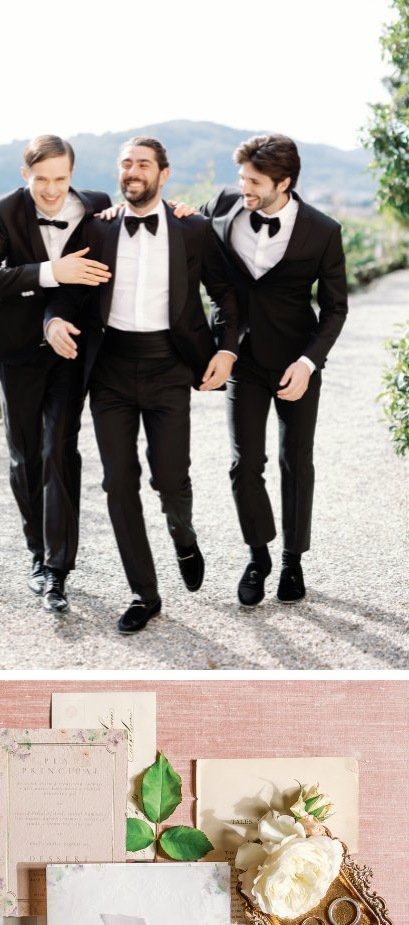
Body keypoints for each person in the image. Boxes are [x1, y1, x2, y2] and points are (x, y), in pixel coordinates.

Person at [45, 136, 240, 633]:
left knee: (170, 479)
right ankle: (143, 593)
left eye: (143, 164)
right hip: (108, 371)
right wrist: (53, 322)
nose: (133, 171)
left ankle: (183, 533)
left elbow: (226, 296)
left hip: (170, 367)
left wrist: (226, 348)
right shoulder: (97, 227)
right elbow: (68, 290)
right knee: (117, 483)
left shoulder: (194, 229)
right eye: (125, 163)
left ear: (164, 174)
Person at [0, 134, 112, 612]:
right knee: (24, 456)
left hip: (70, 347)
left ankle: (57, 570)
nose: (52, 191)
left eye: (62, 179)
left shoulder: (97, 208)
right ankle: (36, 553)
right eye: (42, 179)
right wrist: (51, 271)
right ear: (25, 174)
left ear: (73, 175)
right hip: (16, 351)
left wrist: (176, 212)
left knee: (59, 450)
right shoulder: (4, 211)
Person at [201, 134, 348, 606]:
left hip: (296, 363)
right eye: (242, 176)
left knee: (295, 464)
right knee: (245, 466)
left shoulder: (322, 231)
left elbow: (335, 309)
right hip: (242, 361)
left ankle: (291, 562)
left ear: (283, 183)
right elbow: (186, 225)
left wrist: (309, 363)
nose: (243, 186)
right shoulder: (224, 206)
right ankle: (257, 555)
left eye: (254, 180)